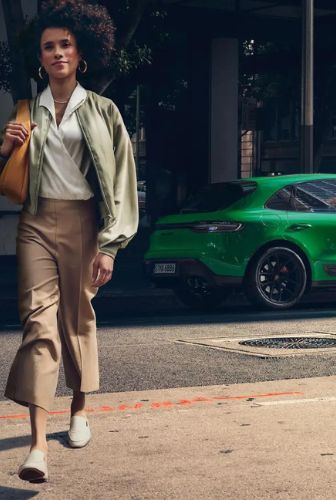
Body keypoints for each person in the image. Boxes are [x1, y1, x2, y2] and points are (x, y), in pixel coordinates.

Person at [0, 0, 137, 482]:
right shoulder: (25, 110)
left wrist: (110, 245)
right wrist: (6, 148)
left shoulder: (103, 111)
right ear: (40, 58)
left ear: (81, 53)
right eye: (48, 47)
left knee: (76, 321)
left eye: (65, 45)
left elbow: (121, 179)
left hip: (83, 223)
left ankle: (79, 408)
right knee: (38, 326)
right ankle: (37, 445)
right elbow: (7, 177)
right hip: (35, 222)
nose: (57, 53)